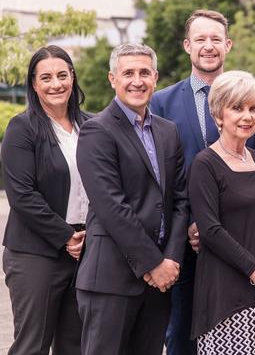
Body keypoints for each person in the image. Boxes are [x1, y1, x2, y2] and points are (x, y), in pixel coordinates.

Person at [149, 10, 255, 354]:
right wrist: (193, 223)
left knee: (238, 334)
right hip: (182, 239)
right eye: (201, 39)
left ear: (228, 45)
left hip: (238, 244)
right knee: (180, 331)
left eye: (216, 39)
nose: (209, 46)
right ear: (188, 46)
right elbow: (159, 173)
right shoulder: (161, 102)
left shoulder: (252, 101)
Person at [75, 43, 189, 355]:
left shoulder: (168, 132)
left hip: (159, 282)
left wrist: (172, 259)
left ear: (156, 77)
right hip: (111, 280)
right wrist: (153, 263)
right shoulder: (96, 131)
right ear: (113, 78)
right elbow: (112, 207)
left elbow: (180, 201)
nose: (136, 81)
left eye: (144, 73)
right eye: (128, 73)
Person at [2, 45, 91, 355]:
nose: (56, 84)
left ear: (73, 78)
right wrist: (66, 235)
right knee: (32, 346)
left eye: (62, 75)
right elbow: (22, 196)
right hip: (35, 254)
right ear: (34, 84)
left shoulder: (92, 127)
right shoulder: (22, 129)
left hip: (85, 252)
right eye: (46, 77)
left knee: (76, 346)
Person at [188, 70, 255, 354]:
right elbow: (211, 230)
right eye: (237, 108)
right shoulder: (205, 163)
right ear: (219, 114)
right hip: (226, 294)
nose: (247, 116)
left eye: (253, 109)